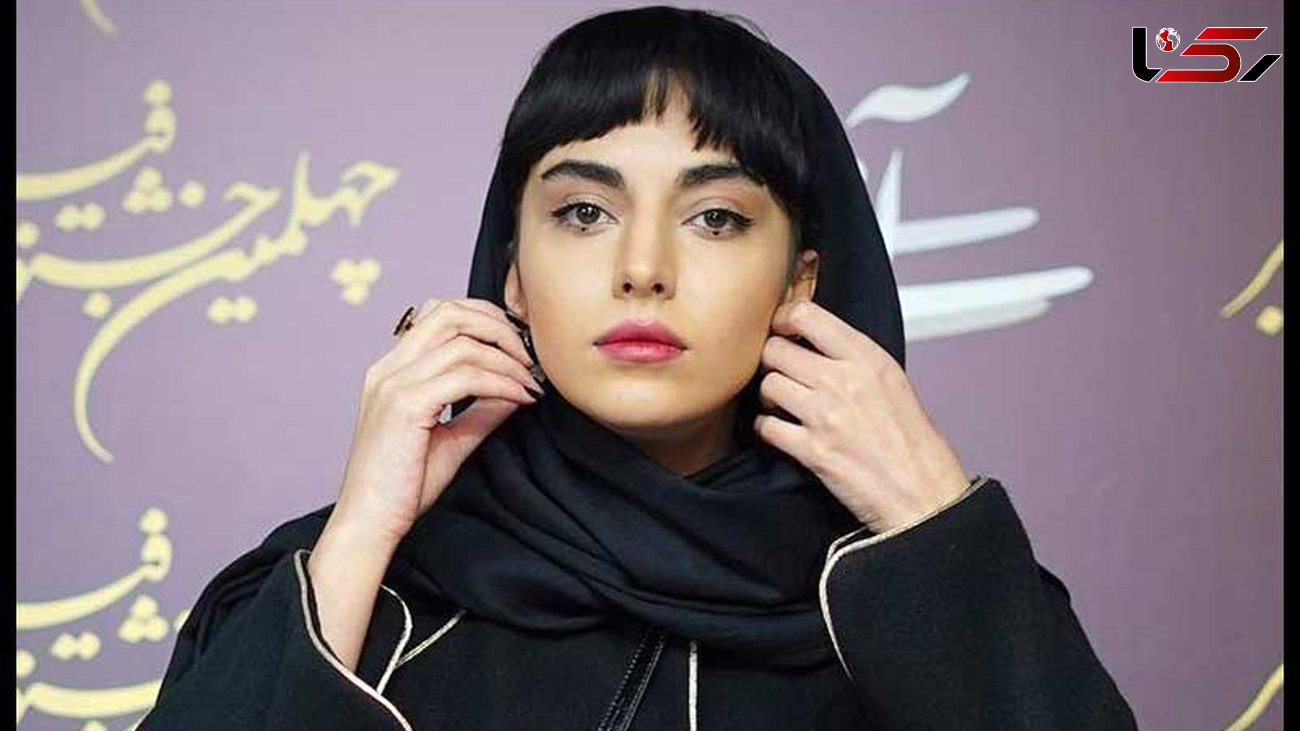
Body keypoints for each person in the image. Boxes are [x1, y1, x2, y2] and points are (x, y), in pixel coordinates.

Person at [136, 6, 1139, 730]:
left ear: (799, 281)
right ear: (512, 271)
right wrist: (362, 529)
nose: (643, 268)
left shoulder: (918, 593)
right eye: (583, 211)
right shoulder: (365, 587)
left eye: (716, 217)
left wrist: (934, 527)